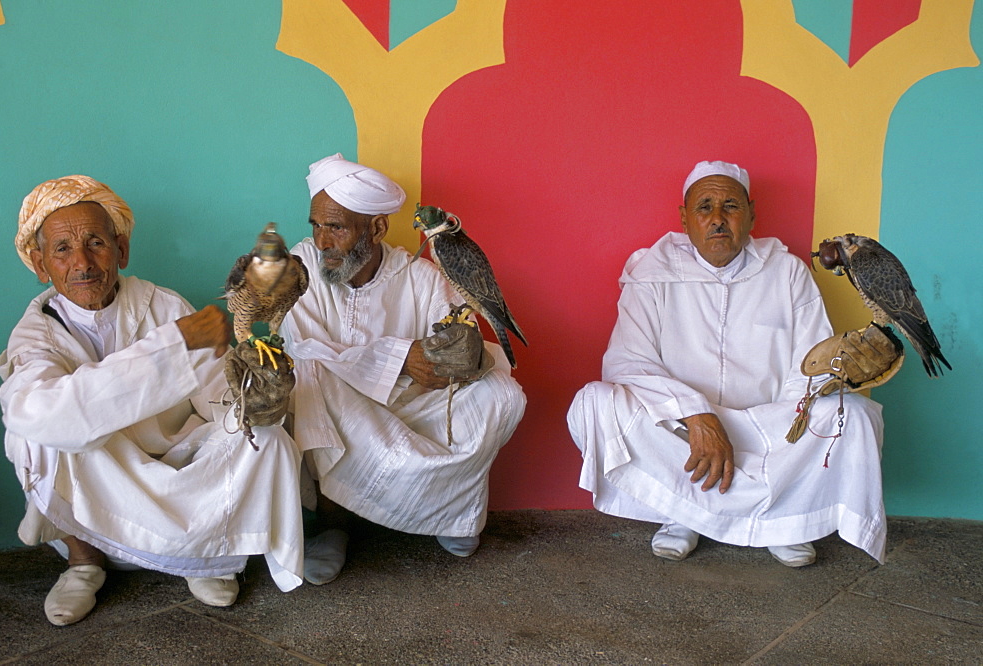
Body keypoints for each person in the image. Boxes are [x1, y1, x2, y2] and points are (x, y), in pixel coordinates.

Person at [0, 175, 304, 626]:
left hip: (178, 464)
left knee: (264, 436)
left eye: (96, 242)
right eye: (62, 249)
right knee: (32, 432)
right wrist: (173, 348)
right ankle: (84, 563)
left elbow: (217, 396)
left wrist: (251, 402)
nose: (82, 262)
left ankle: (209, 559)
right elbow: (42, 413)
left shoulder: (164, 305)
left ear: (121, 251)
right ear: (40, 264)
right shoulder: (35, 332)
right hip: (98, 474)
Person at [567, 160, 887, 567]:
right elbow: (628, 363)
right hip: (684, 431)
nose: (718, 219)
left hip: (771, 427)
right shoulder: (652, 271)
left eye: (731, 207)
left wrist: (799, 412)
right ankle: (682, 510)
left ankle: (785, 519)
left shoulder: (787, 272)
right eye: (704, 207)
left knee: (855, 417)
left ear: (751, 214)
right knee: (595, 401)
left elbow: (811, 362)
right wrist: (695, 413)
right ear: (685, 219)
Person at [281, 154, 526, 585]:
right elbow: (302, 347)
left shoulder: (420, 275)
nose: (322, 241)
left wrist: (458, 355)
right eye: (316, 225)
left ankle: (449, 515)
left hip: (410, 407)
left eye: (336, 227)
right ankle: (329, 523)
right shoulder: (299, 267)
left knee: (503, 395)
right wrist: (399, 357)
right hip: (338, 407)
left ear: (376, 229)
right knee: (305, 376)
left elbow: (458, 330)